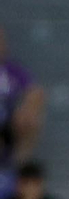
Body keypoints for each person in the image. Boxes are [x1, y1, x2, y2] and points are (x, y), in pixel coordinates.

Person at [0, 25, 45, 166]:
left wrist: (26, 110)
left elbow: (35, 92)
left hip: (9, 122)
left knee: (31, 119)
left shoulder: (13, 70)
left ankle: (20, 166)